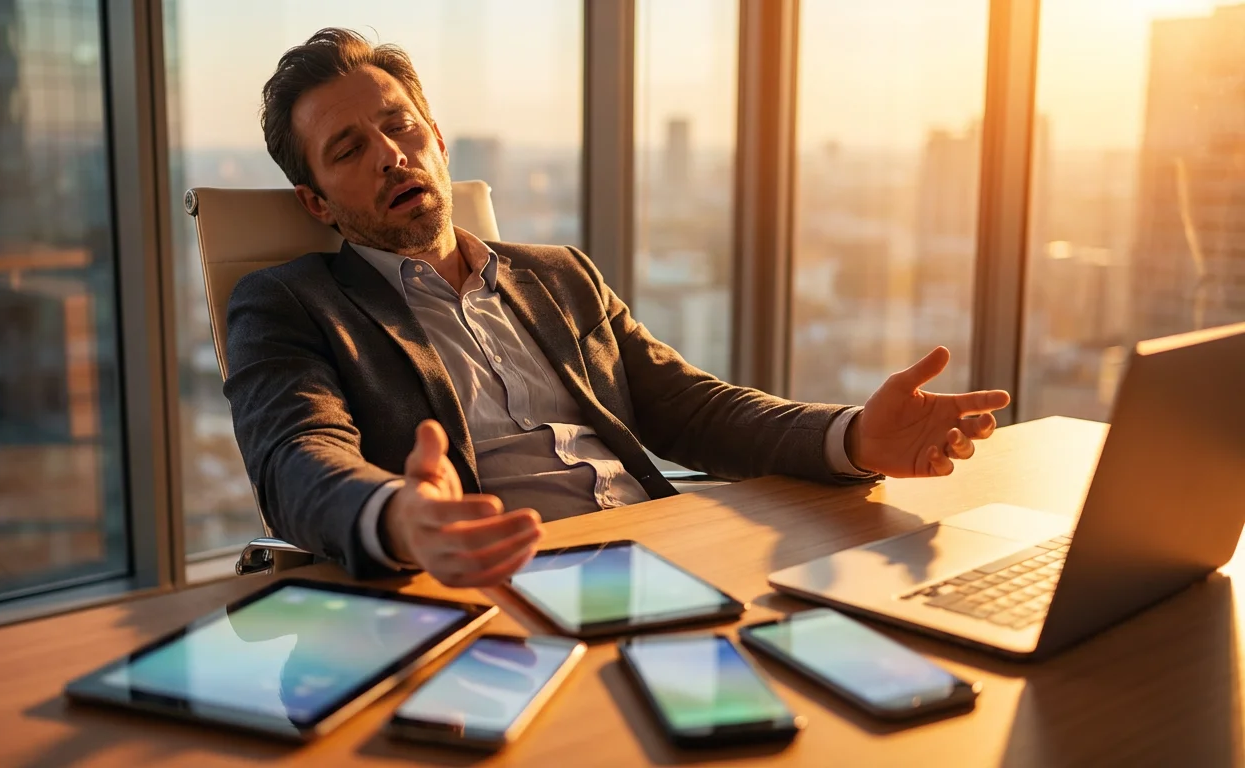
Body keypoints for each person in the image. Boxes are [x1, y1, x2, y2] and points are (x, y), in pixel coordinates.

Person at [224, 28, 1010, 589]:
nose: (390, 153)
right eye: (349, 149)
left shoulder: (559, 275)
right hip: (503, 589)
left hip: (659, 562)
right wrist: (398, 516)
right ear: (316, 203)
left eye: (398, 125)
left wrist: (852, 437)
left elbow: (691, 409)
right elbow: (296, 459)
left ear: (435, 137)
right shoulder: (289, 303)